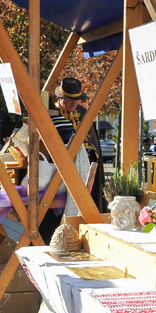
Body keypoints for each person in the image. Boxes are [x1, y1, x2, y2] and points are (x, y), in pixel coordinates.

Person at [54, 77, 106, 212]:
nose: (74, 104)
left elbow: (92, 141)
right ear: (61, 97)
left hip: (82, 169)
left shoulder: (83, 113)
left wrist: (88, 153)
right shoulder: (52, 113)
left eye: (77, 100)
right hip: (56, 169)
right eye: (70, 100)